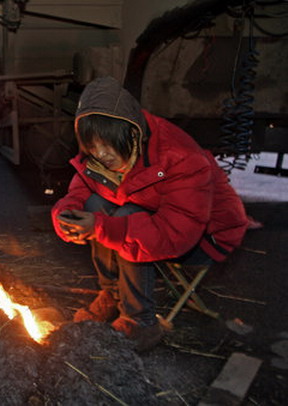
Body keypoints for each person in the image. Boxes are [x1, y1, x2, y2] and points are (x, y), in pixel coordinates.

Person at [51, 76, 248, 351]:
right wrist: (66, 215)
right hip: (154, 216)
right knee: (95, 207)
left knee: (123, 219)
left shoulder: (179, 157)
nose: (101, 154)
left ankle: (140, 322)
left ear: (132, 134)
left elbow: (175, 233)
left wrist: (100, 227)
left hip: (207, 235)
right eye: (93, 146)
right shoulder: (102, 152)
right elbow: (81, 190)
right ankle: (113, 293)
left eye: (107, 145)